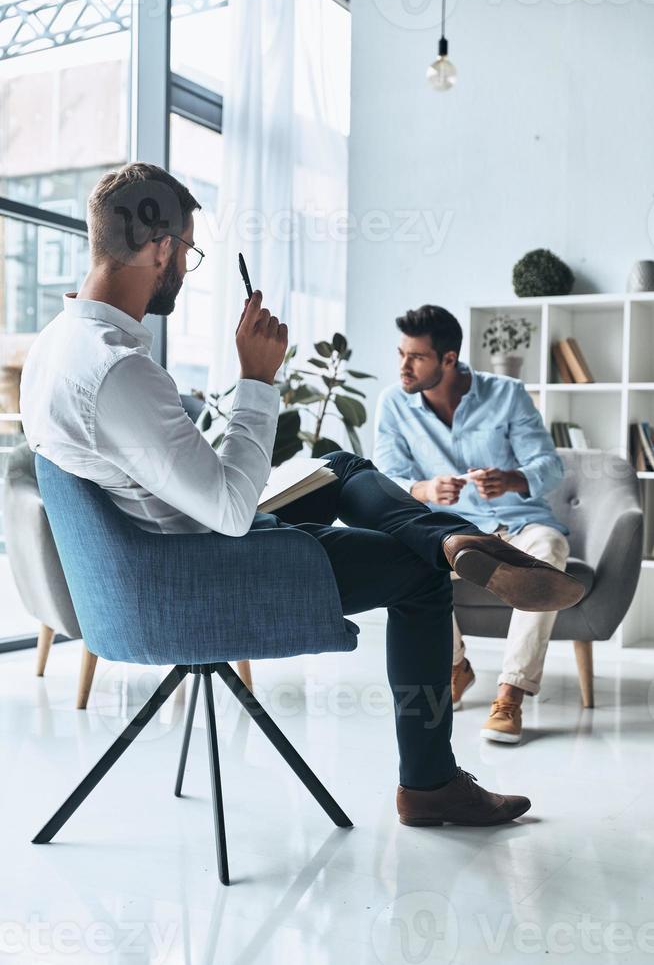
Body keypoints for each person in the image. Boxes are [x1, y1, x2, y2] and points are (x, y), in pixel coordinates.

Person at [20, 164, 582, 826]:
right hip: (202, 572)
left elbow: (165, 476)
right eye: (190, 253)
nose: (186, 270)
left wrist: (232, 415)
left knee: (339, 465)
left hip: (162, 553)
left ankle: (450, 535)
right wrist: (257, 381)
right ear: (162, 247)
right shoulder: (120, 369)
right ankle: (430, 781)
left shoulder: (58, 346)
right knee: (423, 579)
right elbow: (229, 512)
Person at [374, 304, 579, 746]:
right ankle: (454, 666)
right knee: (403, 557)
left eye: (416, 357)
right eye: (401, 354)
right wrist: (426, 490)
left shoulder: (506, 394)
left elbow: (549, 465)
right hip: (448, 530)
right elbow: (386, 477)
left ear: (449, 359)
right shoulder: (393, 403)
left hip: (517, 524)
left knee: (549, 549)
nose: (404, 367)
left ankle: (510, 695)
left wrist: (514, 478)